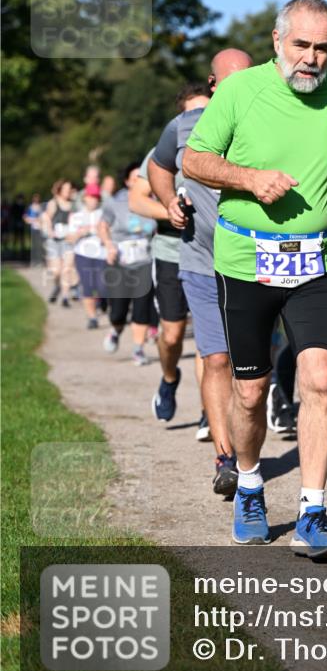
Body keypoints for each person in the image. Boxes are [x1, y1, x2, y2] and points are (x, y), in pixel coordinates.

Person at [183, 0, 327, 558]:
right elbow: (195, 159)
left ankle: (313, 511)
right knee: (251, 390)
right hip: (246, 260)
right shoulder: (241, 90)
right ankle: (252, 484)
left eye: (322, 48)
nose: (311, 58)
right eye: (301, 45)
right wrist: (249, 179)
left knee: (320, 380)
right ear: (277, 41)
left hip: (314, 259)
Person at [149, 50, 253, 495]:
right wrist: (168, 200)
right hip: (199, 261)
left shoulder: (272, 120)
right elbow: (157, 166)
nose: (238, 90)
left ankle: (251, 445)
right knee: (215, 358)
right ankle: (226, 458)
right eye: (229, 83)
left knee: (253, 373)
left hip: (255, 263)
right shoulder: (184, 127)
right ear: (213, 85)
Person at [129, 83, 211, 433]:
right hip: (171, 252)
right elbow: (136, 199)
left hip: (210, 252)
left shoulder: (225, 145)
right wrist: (169, 210)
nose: (198, 118)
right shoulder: (163, 150)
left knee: (210, 340)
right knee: (173, 336)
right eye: (191, 112)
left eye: (205, 110)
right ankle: (169, 377)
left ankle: (212, 411)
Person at [98, 162, 157, 365]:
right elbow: (103, 225)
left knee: (142, 307)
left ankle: (138, 349)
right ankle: (115, 329)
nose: (138, 182)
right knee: (118, 311)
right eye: (134, 179)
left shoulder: (155, 199)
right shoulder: (116, 201)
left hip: (145, 260)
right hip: (120, 261)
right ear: (126, 181)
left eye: (141, 178)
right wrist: (108, 245)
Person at [67, 183, 106, 328]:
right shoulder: (76, 216)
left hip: (102, 254)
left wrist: (100, 232)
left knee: (102, 286)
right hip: (82, 254)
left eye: (96, 197)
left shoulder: (104, 214)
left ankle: (102, 300)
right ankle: (92, 318)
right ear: (85, 198)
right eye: (91, 197)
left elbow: (111, 234)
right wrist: (80, 232)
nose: (93, 200)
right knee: (88, 286)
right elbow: (70, 238)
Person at [42, 180, 75, 306]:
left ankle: (65, 297)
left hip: (68, 241)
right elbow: (46, 218)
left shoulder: (73, 205)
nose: (68, 191)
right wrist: (50, 231)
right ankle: (57, 286)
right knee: (57, 271)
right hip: (54, 241)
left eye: (69, 189)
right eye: (65, 189)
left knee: (67, 269)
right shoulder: (53, 203)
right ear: (60, 190)